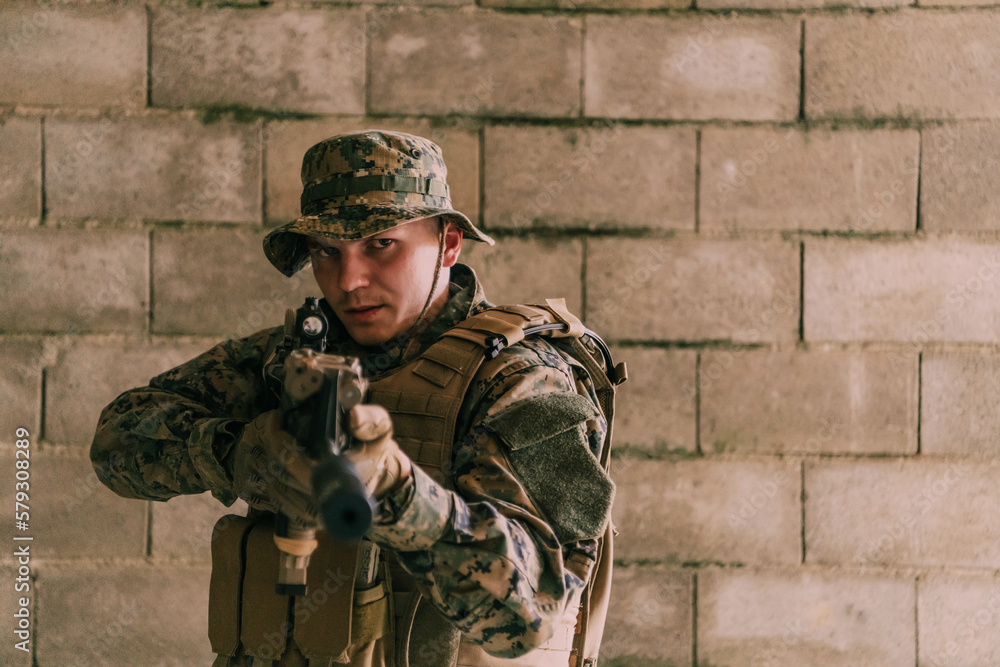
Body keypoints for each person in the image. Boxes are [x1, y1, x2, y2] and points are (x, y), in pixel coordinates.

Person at [91, 130, 624, 667]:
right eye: (327, 251)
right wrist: (237, 454)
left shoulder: (522, 380)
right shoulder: (296, 357)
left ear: (448, 243)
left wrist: (398, 493)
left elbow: (527, 614)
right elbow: (116, 442)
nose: (348, 280)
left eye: (381, 244)